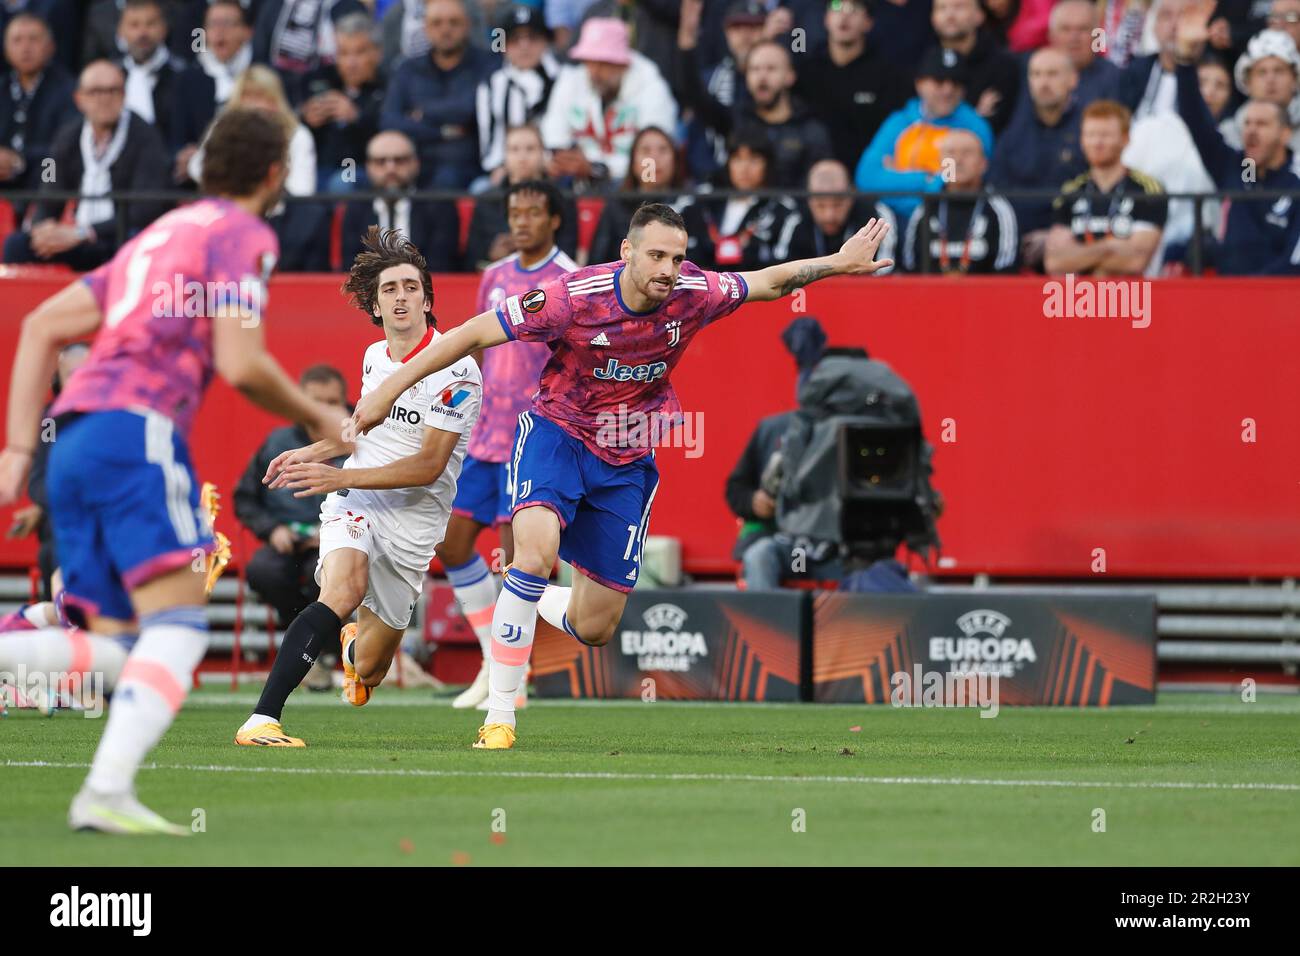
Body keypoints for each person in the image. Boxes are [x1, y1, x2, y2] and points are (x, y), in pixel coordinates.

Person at [348, 203, 894, 750]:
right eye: (656, 255)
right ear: (626, 252)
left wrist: (838, 263)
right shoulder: (572, 297)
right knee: (535, 556)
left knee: (594, 626)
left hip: (626, 455)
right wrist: (387, 391)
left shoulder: (694, 293)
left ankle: (525, 592)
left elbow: (769, 282)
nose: (668, 268)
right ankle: (500, 714)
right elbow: (467, 336)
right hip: (555, 436)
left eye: (677, 257)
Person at [0, 107, 346, 833]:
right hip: (136, 434)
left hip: (77, 441)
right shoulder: (243, 234)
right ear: (277, 174)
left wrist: (16, 454)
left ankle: (106, 793)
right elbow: (241, 362)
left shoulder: (157, 236)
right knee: (184, 626)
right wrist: (319, 419)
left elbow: (39, 328)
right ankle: (105, 792)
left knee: (120, 643)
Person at [235, 227, 483, 746]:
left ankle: (352, 653)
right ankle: (263, 719)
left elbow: (428, 467)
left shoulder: (458, 370)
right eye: (389, 288)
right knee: (341, 590)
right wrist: (316, 451)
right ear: (374, 303)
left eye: (411, 287)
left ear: (428, 299)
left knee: (370, 669)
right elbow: (364, 429)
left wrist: (338, 472)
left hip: (415, 521)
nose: (401, 297)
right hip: (355, 500)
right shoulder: (374, 356)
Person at [442, 179, 577, 710]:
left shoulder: (571, 279)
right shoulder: (494, 277)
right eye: (514, 212)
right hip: (484, 434)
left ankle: (512, 679)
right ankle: (489, 660)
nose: (521, 221)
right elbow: (477, 343)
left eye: (533, 212)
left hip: (534, 435)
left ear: (555, 220)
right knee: (451, 543)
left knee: (514, 562)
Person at [3, 60, 171, 271]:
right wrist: (42, 231)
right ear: (79, 99)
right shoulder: (67, 137)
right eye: (95, 92)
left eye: (112, 91)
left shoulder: (146, 136)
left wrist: (84, 232)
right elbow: (50, 191)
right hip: (78, 239)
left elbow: (145, 210)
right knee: (17, 245)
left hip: (120, 239)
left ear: (124, 96)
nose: (104, 99)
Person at [1174, 2, 1300, 273]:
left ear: (1284, 133)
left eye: (1263, 124)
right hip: (1228, 300)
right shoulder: (1239, 167)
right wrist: (1185, 61)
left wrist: (1253, 293)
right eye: (1248, 124)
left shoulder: (1295, 179)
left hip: (1280, 303)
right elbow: (1196, 120)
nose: (1251, 131)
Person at [234, 365, 350, 637]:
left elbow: (383, 496)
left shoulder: (363, 440)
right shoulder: (277, 443)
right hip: (287, 543)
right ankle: (312, 645)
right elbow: (245, 499)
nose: (322, 410)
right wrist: (272, 529)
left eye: (332, 403)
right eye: (314, 402)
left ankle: (318, 651)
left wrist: (336, 531)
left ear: (344, 403)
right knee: (262, 571)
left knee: (322, 575)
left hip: (343, 542)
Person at [855, 46, 995, 220]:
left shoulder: (973, 127)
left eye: (956, 83)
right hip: (895, 225)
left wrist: (898, 178)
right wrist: (927, 179)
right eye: (939, 81)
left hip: (948, 224)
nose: (948, 90)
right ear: (919, 83)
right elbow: (868, 179)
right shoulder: (899, 122)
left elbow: (960, 185)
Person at [675, 34, 832, 188]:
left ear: (790, 76)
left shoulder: (811, 129)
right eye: (755, 69)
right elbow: (697, 99)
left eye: (771, 69)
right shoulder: (737, 120)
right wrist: (687, 48)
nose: (762, 77)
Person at [540, 17, 677, 188]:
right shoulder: (571, 79)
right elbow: (553, 134)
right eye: (590, 61)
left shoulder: (651, 85)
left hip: (631, 186)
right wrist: (559, 160)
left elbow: (652, 159)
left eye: (603, 63)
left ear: (623, 63)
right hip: (577, 184)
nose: (595, 72)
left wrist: (596, 168)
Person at [381, 0, 497, 189]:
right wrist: (442, 131)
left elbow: (470, 109)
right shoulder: (407, 69)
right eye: (437, 23)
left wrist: (423, 113)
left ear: (467, 25)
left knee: (446, 182)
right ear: (425, 28)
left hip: (468, 166)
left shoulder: (488, 64)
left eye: (454, 22)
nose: (445, 30)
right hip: (413, 165)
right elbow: (389, 120)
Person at [989, 48, 1087, 270]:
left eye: (1052, 74)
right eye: (1036, 74)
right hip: (1016, 238)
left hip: (1071, 240)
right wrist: (1014, 233)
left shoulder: (1089, 129)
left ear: (1073, 80)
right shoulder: (1012, 127)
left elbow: (1096, 190)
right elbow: (995, 187)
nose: (1043, 82)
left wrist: (1054, 235)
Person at [1045, 100, 1167, 276]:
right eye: (1090, 134)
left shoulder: (1148, 190)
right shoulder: (1070, 191)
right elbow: (1055, 262)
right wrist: (1109, 247)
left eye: (1105, 135)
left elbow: (1136, 261)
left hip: (1134, 299)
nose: (1096, 142)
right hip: (1079, 300)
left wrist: (1079, 255)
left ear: (1125, 139)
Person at [792, 0, 914, 172]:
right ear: (826, 19)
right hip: (814, 180)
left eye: (854, 9)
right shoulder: (807, 74)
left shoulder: (888, 76)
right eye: (836, 7)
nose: (844, 16)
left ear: (868, 23)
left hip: (870, 179)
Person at [679, 129, 802, 271]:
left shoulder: (783, 209)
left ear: (768, 164)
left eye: (754, 159)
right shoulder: (703, 199)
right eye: (737, 158)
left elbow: (785, 265)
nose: (744, 168)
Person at [462, 123, 579, 270]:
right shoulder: (486, 200)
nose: (522, 157)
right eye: (514, 149)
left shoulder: (562, 199)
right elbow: (471, 260)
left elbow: (568, 254)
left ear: (543, 153)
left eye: (530, 149)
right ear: (505, 155)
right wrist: (491, 256)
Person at [339, 129, 458, 272]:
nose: (390, 168)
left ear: (415, 163)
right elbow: (351, 267)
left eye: (399, 160)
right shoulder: (356, 207)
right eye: (380, 161)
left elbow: (442, 266)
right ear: (368, 166)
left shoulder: (438, 206)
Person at [903, 129, 1019, 273]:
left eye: (967, 153)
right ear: (940, 165)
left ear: (983, 164)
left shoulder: (999, 210)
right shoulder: (924, 209)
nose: (958, 160)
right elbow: (910, 269)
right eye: (951, 153)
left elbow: (1006, 272)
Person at [299, 12, 388, 194]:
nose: (351, 62)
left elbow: (392, 132)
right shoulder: (319, 79)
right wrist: (305, 118)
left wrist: (357, 118)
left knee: (342, 183)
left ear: (377, 53)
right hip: (318, 163)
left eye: (359, 52)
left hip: (361, 166)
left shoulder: (389, 85)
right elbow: (291, 120)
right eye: (344, 53)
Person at [476, 4, 561, 187]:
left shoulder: (565, 78)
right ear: (503, 45)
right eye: (515, 39)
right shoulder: (491, 85)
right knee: (481, 188)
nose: (524, 46)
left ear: (545, 41)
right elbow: (489, 140)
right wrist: (500, 166)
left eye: (533, 37)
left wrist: (551, 163)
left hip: (557, 171)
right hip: (509, 169)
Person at [171, 0, 254, 182]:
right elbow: (178, 138)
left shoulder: (260, 75)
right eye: (213, 24)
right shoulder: (188, 79)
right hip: (200, 178)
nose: (220, 31)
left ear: (247, 32)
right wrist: (184, 155)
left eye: (228, 24)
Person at [586, 125, 690, 265]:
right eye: (646, 151)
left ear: (675, 160)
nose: (654, 158)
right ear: (633, 162)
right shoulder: (615, 205)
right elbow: (597, 263)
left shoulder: (690, 202)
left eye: (663, 150)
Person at [0, 13, 76, 194]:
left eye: (33, 39)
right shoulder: (2, 88)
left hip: (46, 176)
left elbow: (68, 146)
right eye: (17, 40)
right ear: (5, 48)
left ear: (50, 46)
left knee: (53, 165)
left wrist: (20, 161)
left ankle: (44, 214)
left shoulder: (68, 89)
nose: (25, 48)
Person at [253, 0, 368, 106]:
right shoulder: (275, 4)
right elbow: (259, 57)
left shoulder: (348, 7)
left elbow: (359, 61)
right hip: (274, 96)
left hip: (330, 100)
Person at [788, 158, 897, 270]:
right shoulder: (796, 218)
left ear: (851, 196)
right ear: (809, 200)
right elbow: (782, 273)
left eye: (838, 205)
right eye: (820, 205)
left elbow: (884, 274)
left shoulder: (876, 217)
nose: (829, 216)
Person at [929, 0, 1021, 131]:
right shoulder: (921, 62)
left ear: (980, 15)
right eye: (942, 8)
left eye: (959, 6)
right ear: (933, 18)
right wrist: (976, 116)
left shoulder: (1003, 65)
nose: (950, 15)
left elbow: (998, 125)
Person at [113, 0, 187, 149]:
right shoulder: (112, 76)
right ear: (121, 31)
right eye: (134, 25)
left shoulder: (184, 75)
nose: (142, 33)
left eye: (150, 24)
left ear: (164, 29)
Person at [1046, 0, 1122, 107]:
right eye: (1066, 29)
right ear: (1051, 36)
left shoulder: (1113, 77)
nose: (1074, 38)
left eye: (1083, 29)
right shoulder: (1030, 71)